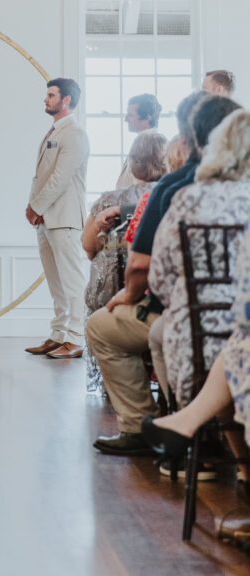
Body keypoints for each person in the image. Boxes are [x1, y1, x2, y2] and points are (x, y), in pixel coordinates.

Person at [88, 92, 240, 456]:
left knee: (101, 326)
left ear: (187, 139)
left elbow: (142, 266)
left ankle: (147, 426)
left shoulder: (176, 190)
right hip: (240, 316)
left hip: (189, 316)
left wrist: (128, 294)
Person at [149, 109, 250, 408]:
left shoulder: (188, 198)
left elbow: (159, 277)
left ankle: (181, 420)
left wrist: (183, 302)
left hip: (195, 332)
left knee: (158, 332)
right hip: (242, 326)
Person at [141, 224, 250, 501]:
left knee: (229, 350)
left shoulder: (181, 197)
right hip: (228, 332)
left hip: (200, 327)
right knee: (231, 352)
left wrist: (177, 304)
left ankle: (187, 426)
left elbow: (155, 276)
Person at [82, 131, 167, 391]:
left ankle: (119, 385)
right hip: (159, 291)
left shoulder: (109, 199)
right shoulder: (172, 195)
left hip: (110, 293)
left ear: (133, 163)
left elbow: (88, 247)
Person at [25, 78, 89, 360]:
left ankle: (76, 337)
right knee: (56, 282)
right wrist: (35, 208)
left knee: (72, 281)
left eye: (51, 95)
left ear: (66, 100)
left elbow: (60, 178)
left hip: (63, 217)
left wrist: (35, 206)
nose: (45, 99)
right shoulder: (54, 131)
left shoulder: (74, 133)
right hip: (45, 218)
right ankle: (59, 334)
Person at [117, 94, 162, 188]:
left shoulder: (151, 147)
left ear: (147, 118)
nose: (125, 119)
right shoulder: (140, 142)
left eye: (130, 115)